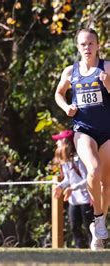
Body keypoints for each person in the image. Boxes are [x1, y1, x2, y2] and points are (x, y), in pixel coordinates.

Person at [54, 28, 110, 249]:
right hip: (83, 129)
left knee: (106, 183)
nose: (87, 48)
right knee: (93, 169)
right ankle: (97, 218)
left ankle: (100, 225)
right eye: (83, 44)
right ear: (77, 47)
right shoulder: (70, 71)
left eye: (91, 43)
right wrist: (66, 106)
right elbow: (59, 93)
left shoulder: (106, 67)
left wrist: (108, 85)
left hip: (107, 131)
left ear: (98, 45)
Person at [51, 129, 94, 249]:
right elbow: (67, 180)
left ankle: (94, 250)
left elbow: (88, 179)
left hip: (86, 199)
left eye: (58, 141)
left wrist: (72, 188)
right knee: (74, 227)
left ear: (66, 142)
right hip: (74, 201)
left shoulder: (79, 159)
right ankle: (80, 250)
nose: (56, 144)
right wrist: (60, 186)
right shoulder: (65, 161)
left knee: (89, 227)